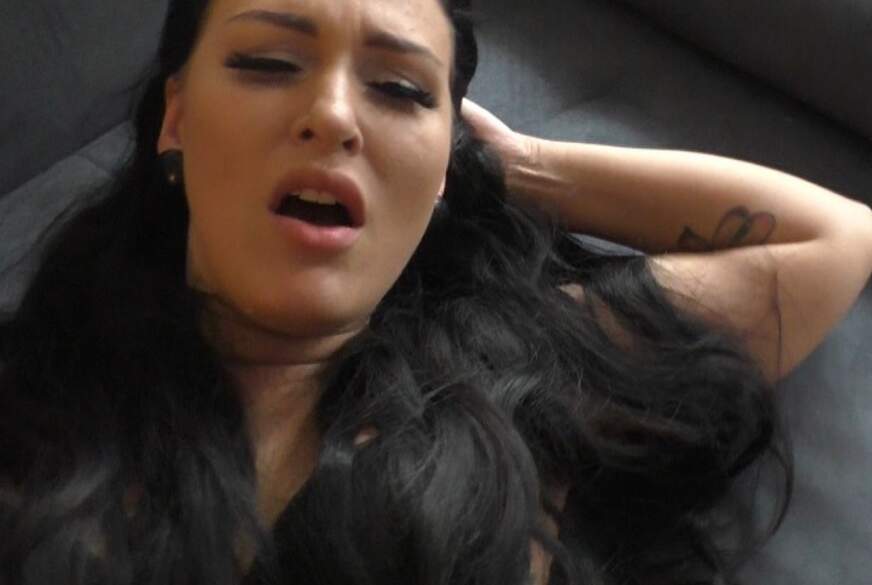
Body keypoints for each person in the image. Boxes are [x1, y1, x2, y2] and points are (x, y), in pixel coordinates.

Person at [1, 0, 871, 584]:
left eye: (400, 89)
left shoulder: (517, 381)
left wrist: (520, 166)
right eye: (269, 61)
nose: (333, 114)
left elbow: (832, 239)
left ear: (444, 161)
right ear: (178, 118)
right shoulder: (38, 412)